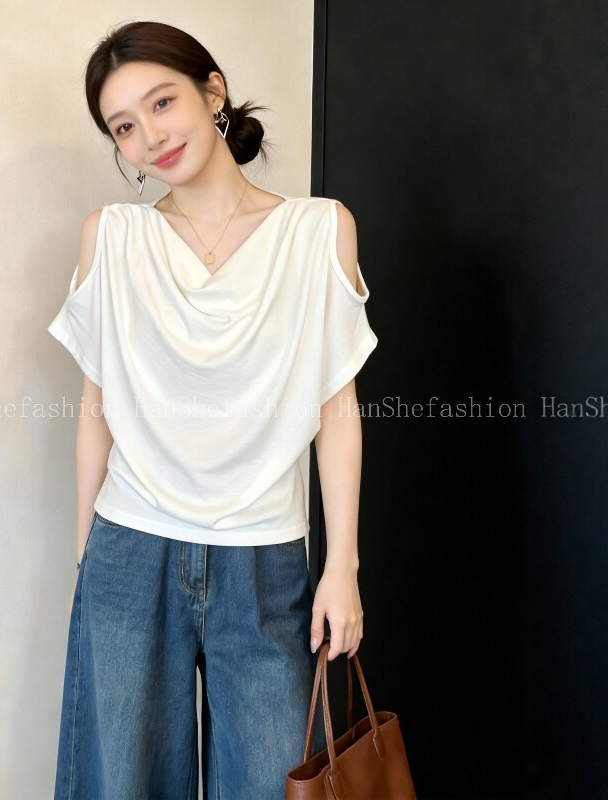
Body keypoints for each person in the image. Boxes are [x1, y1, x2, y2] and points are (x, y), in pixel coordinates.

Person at [47, 19, 378, 800]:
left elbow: (336, 410)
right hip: (130, 553)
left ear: (213, 91)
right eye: (124, 127)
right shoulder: (111, 238)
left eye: (162, 103)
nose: (150, 137)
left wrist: (343, 566)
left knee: (271, 783)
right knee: (121, 786)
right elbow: (96, 406)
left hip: (264, 561)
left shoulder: (318, 231)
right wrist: (88, 551)